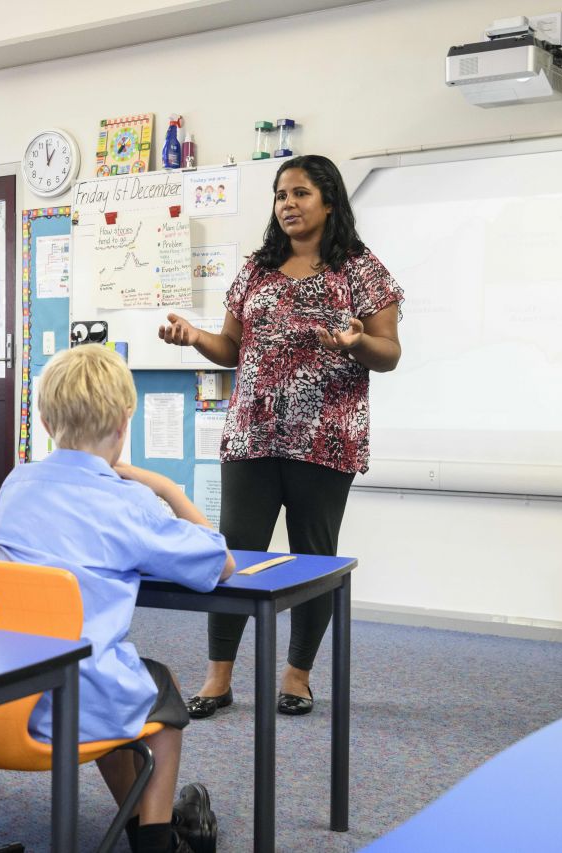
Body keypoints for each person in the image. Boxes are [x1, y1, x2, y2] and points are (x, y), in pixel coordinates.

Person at [159, 154, 403, 718]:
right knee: (232, 555)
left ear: (329, 202)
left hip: (326, 437)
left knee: (312, 557)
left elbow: (388, 353)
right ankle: (218, 677)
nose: (288, 205)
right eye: (280, 196)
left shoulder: (363, 271)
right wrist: (195, 336)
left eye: (300, 194)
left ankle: (297, 675)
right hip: (252, 435)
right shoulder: (255, 269)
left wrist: (355, 344)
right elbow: (231, 348)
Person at [0, 344, 234, 853]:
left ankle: (138, 817)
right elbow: (219, 560)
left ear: (46, 420)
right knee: (155, 691)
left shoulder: (16, 483)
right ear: (126, 422)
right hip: (79, 696)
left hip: (1, 694)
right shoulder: (129, 502)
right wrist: (168, 488)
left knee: (110, 677)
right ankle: (154, 841)